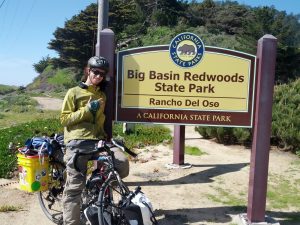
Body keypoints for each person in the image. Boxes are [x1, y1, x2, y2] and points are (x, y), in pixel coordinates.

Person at [60, 56, 129, 225]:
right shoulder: (73, 92)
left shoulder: (101, 95)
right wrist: (87, 109)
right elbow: (64, 119)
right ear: (88, 71)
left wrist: (106, 138)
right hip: (77, 142)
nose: (98, 76)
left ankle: (93, 186)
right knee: (74, 188)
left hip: (97, 142)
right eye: (96, 72)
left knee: (121, 164)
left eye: (102, 74)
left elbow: (98, 122)